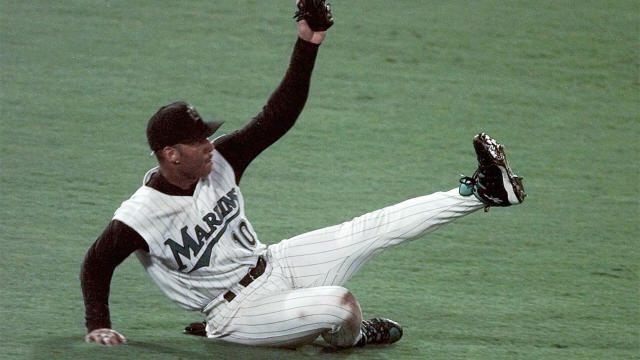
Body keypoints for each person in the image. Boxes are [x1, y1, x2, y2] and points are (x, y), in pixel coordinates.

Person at [80, 3, 526, 350]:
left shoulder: (222, 161)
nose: (210, 144)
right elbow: (96, 263)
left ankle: (484, 191)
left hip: (276, 262)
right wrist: (98, 324)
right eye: (199, 142)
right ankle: (352, 339)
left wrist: (308, 42)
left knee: (369, 229)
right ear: (171, 155)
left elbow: (278, 116)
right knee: (341, 304)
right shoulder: (140, 215)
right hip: (235, 314)